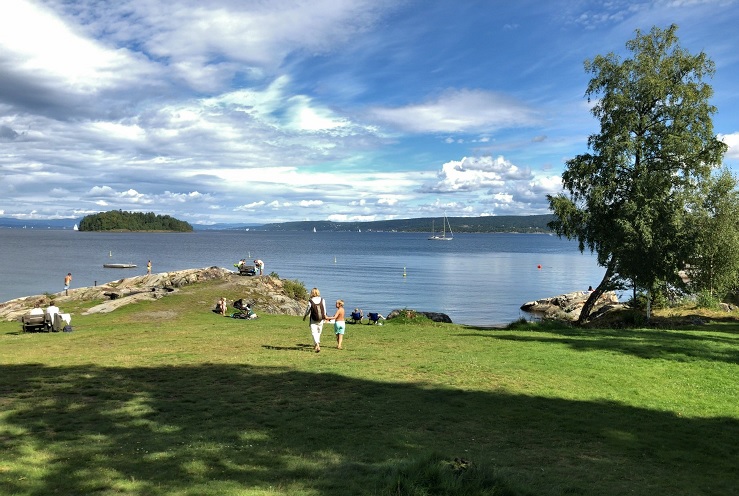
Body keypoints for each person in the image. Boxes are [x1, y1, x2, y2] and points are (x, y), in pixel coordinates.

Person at [303, 287, 326, 353]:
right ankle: (317, 343)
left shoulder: (311, 301)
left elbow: (308, 310)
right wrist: (324, 317)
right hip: (321, 319)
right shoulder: (322, 300)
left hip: (313, 319)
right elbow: (324, 309)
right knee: (319, 332)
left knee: (314, 332)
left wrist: (305, 316)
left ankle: (317, 344)